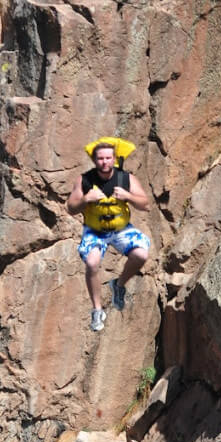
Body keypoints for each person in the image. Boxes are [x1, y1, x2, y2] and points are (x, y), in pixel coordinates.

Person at [67, 137, 151, 332]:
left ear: (114, 159)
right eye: (100, 158)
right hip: (95, 231)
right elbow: (71, 208)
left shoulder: (125, 178)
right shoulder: (85, 180)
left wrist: (128, 196)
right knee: (92, 262)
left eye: (108, 158)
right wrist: (86, 199)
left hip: (121, 229)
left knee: (141, 254)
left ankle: (118, 285)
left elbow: (145, 204)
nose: (104, 162)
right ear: (95, 160)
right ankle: (97, 310)